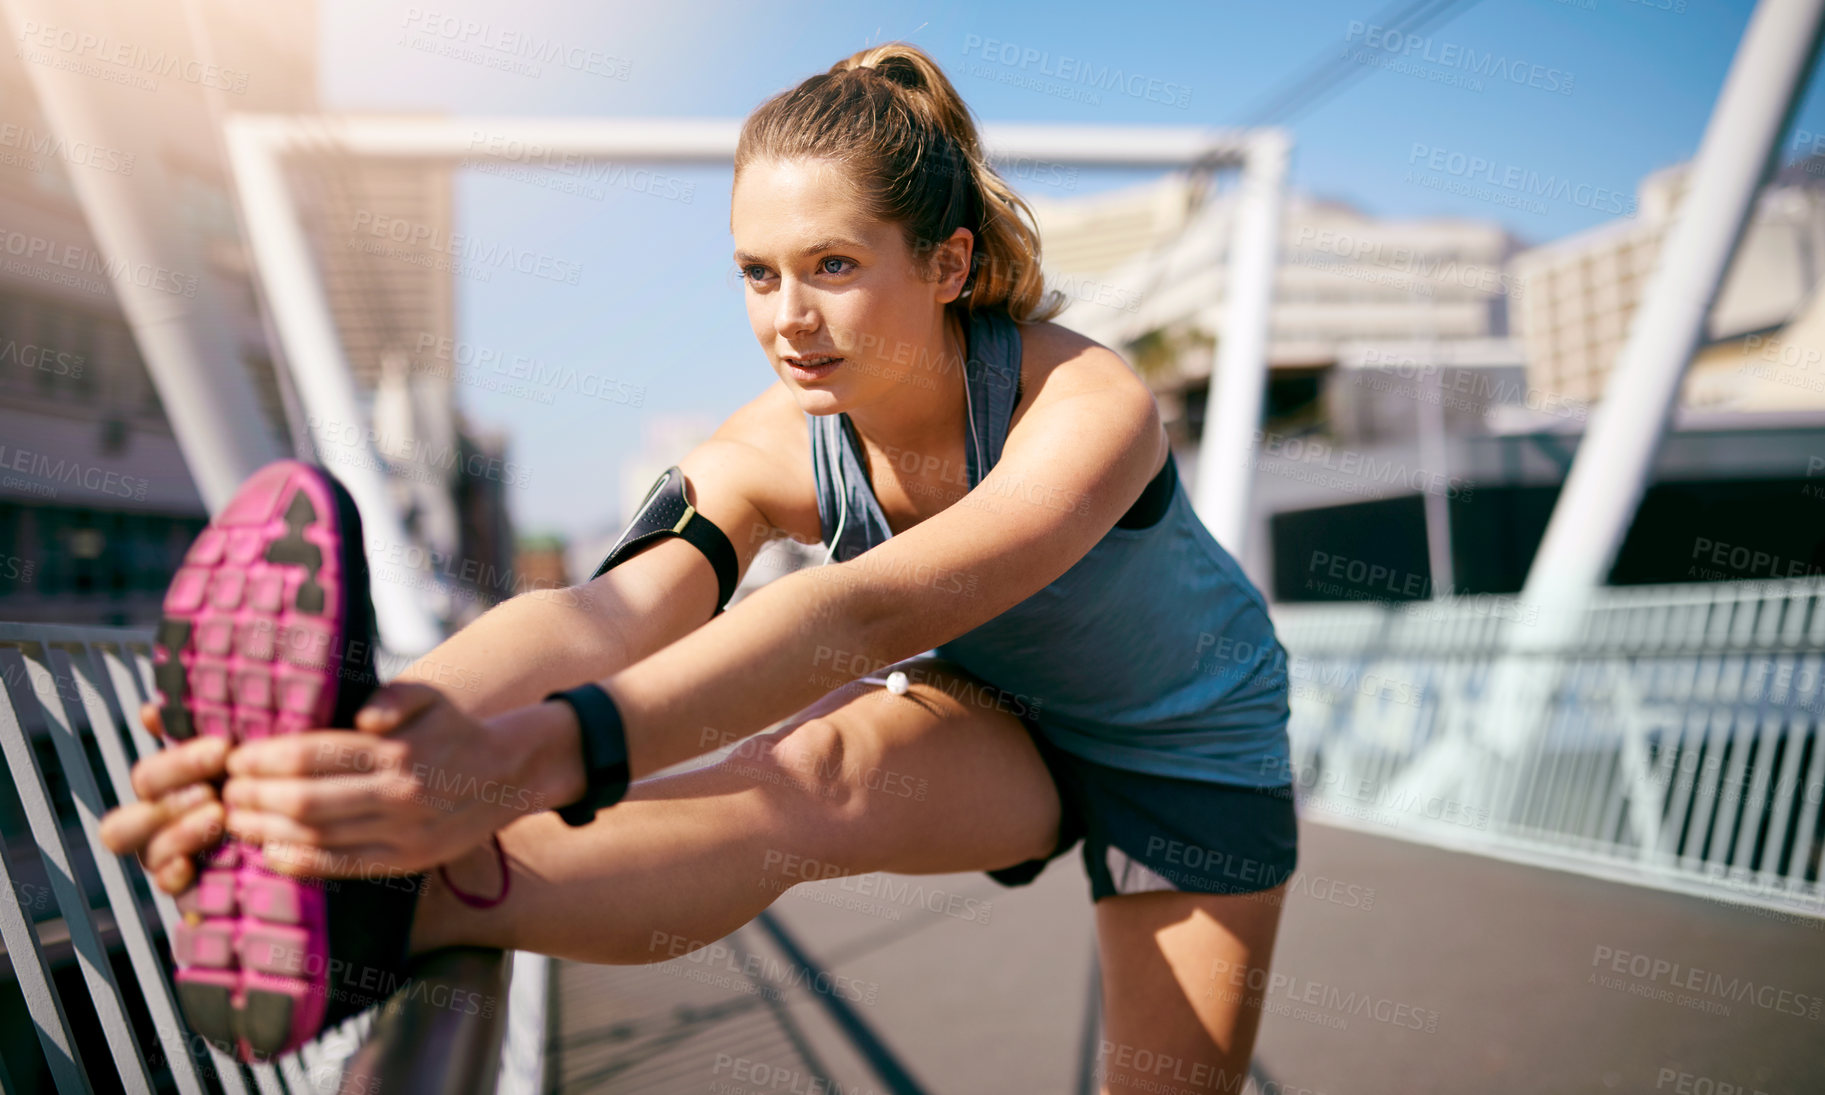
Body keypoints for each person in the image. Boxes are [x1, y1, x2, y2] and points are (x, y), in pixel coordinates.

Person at [100, 42, 1298, 1091]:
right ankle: (385, 903)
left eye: (833, 266)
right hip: (998, 713)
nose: (787, 316)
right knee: (819, 770)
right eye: (756, 272)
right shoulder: (772, 443)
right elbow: (607, 613)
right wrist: (365, 744)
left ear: (945, 264)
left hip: (1185, 745)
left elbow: (871, 609)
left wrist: (532, 756)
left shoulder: (1083, 399)